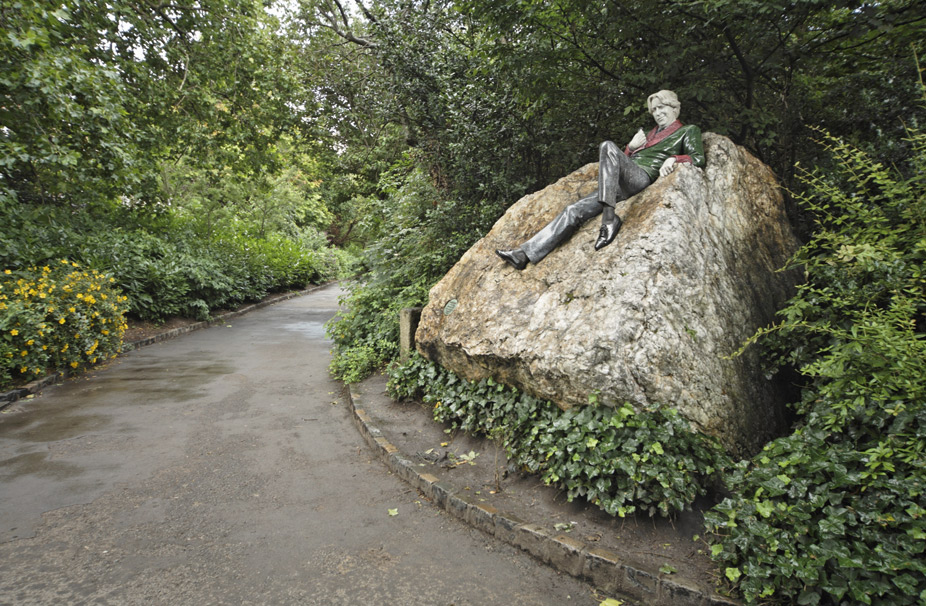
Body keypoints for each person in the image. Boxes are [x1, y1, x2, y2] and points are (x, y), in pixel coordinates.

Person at [495, 90, 705, 270]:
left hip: (641, 177)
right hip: (617, 184)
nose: (658, 113)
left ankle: (609, 219)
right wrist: (630, 148)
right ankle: (524, 255)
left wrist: (673, 158)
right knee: (573, 210)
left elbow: (698, 158)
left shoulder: (687, 130)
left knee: (606, 146)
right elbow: (619, 161)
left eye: (662, 108)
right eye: (655, 110)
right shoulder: (648, 136)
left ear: (674, 108)